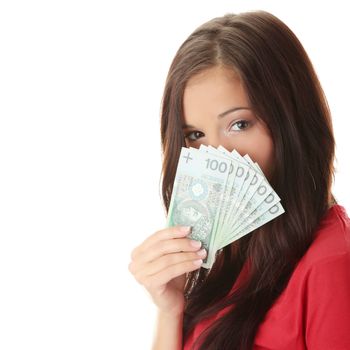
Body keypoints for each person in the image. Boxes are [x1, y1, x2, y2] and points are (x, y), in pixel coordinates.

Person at [128, 10, 350, 350]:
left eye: (239, 125)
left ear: (291, 123)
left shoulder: (333, 265)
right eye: (196, 134)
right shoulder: (227, 254)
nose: (217, 156)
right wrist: (170, 309)